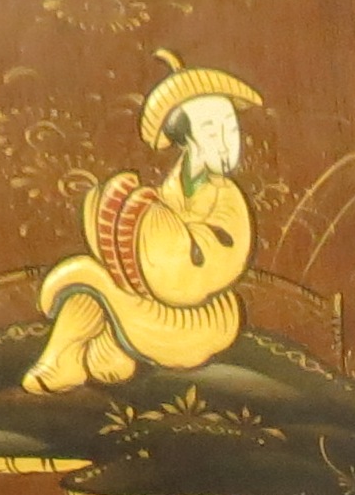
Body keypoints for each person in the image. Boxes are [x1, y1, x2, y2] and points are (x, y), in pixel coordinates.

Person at [24, 61, 263, 391]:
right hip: (158, 301)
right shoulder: (172, 185)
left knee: (92, 276)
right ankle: (104, 351)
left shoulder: (226, 197)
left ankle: (59, 361)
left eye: (231, 128)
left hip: (201, 319)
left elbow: (199, 271)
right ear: (185, 137)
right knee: (108, 359)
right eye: (211, 129)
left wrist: (150, 225)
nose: (225, 141)